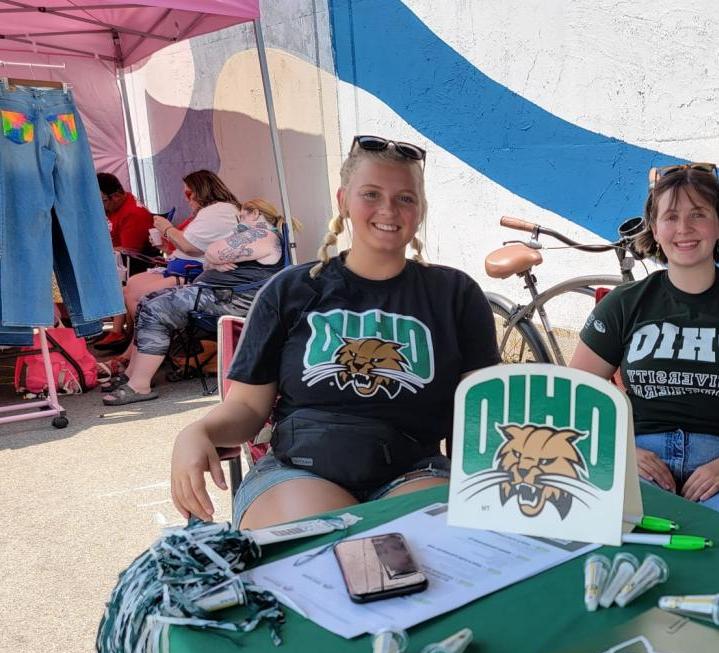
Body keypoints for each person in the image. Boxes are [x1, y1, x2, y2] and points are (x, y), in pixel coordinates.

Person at [170, 136, 499, 529]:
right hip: (300, 469)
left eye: (406, 198)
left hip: (415, 470)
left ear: (421, 209)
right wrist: (198, 430)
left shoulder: (456, 295)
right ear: (344, 200)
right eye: (371, 194)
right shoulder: (290, 290)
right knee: (317, 547)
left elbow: (482, 408)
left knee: (432, 551)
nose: (388, 209)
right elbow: (247, 408)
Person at [570, 163, 719, 524]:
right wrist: (621, 452)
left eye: (698, 214)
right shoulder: (625, 304)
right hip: (641, 461)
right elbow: (573, 399)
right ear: (655, 229)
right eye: (670, 216)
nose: (684, 229)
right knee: (617, 525)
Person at [102, 198, 294, 405]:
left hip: (231, 300)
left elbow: (212, 251)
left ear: (254, 213)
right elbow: (211, 257)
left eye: (241, 216)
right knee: (147, 301)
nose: (238, 222)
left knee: (157, 309)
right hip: (219, 295)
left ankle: (139, 385)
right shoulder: (258, 236)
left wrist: (214, 259)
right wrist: (214, 261)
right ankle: (133, 374)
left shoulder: (262, 235)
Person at [98, 170, 240, 354]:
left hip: (195, 275)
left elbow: (189, 246)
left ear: (202, 191)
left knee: (136, 294)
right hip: (183, 269)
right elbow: (192, 245)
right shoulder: (209, 212)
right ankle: (139, 345)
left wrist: (166, 228)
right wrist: (168, 247)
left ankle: (145, 350)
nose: (186, 199)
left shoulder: (217, 212)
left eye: (189, 193)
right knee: (130, 286)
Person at [97, 172, 153, 256]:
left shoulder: (133, 215)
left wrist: (98, 250)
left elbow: (129, 252)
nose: (100, 206)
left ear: (116, 196)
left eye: (103, 201)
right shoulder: (116, 205)